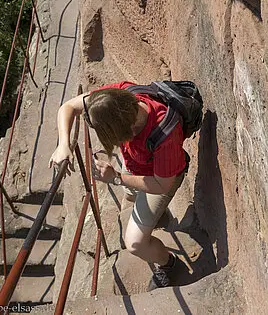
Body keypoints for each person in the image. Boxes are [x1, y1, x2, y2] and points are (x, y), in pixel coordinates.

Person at [49, 80, 188, 288]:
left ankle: (169, 264)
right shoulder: (117, 98)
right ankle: (157, 215)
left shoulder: (164, 134)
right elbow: (68, 107)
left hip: (161, 178)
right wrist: (63, 144)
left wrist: (115, 177)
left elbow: (161, 185)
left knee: (135, 243)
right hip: (138, 165)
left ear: (129, 130)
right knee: (129, 194)